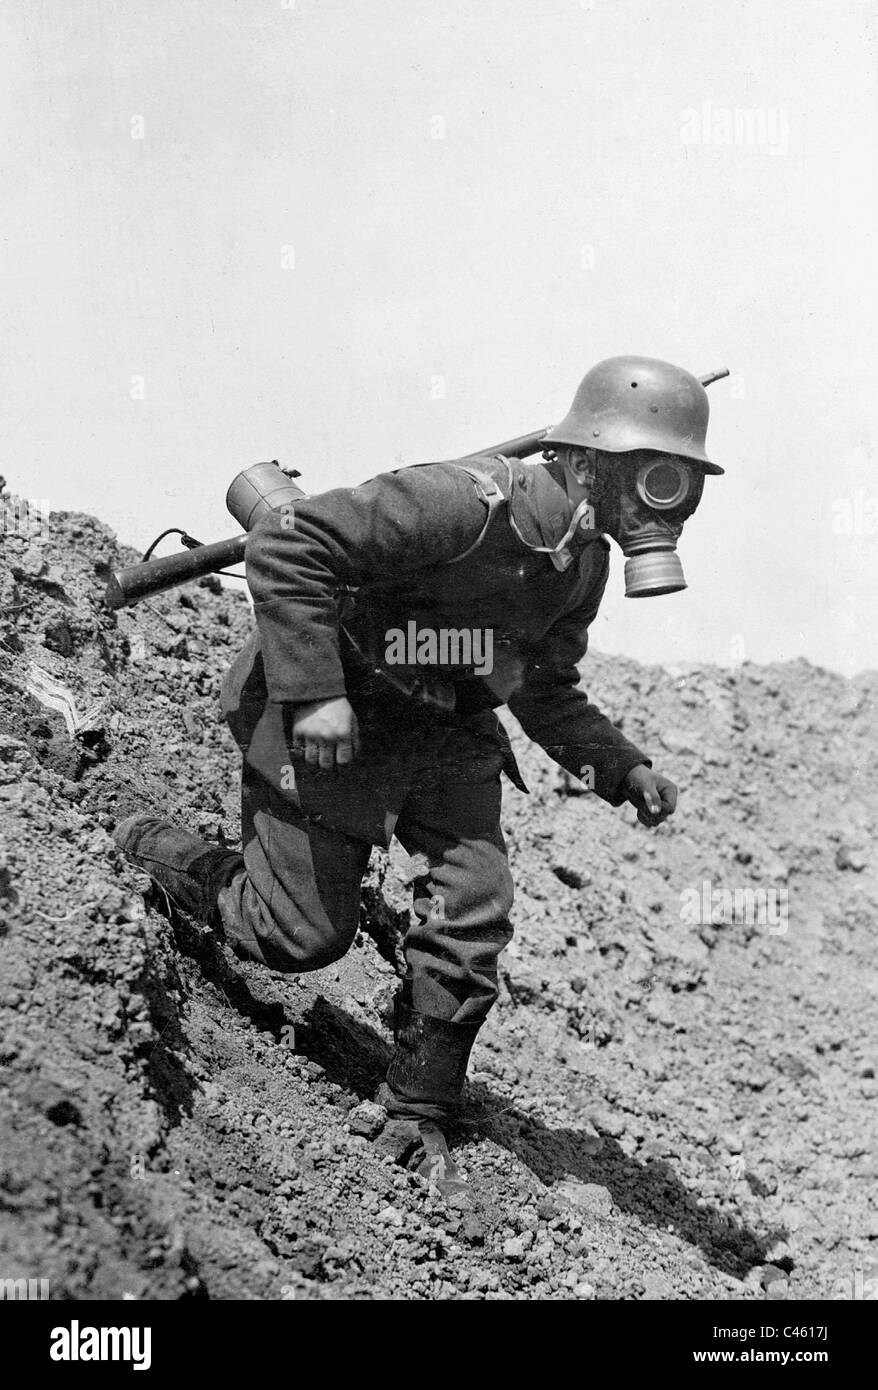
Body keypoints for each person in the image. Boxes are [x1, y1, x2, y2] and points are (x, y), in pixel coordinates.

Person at [115, 355, 725, 1189]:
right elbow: (292, 550)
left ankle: (418, 1107)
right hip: (339, 707)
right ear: (586, 460)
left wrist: (621, 768)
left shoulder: (581, 566)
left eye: (682, 483)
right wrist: (313, 697)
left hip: (447, 728)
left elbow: (544, 690)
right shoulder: (460, 505)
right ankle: (145, 845)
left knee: (474, 909)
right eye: (655, 478)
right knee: (294, 937)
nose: (669, 504)